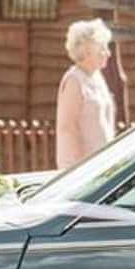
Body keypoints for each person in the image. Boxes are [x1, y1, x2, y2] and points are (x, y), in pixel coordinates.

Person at [55, 19, 117, 169]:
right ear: (88, 50)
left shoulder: (97, 77)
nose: (108, 53)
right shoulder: (74, 80)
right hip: (82, 168)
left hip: (102, 164)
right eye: (103, 48)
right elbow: (67, 127)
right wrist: (80, 167)